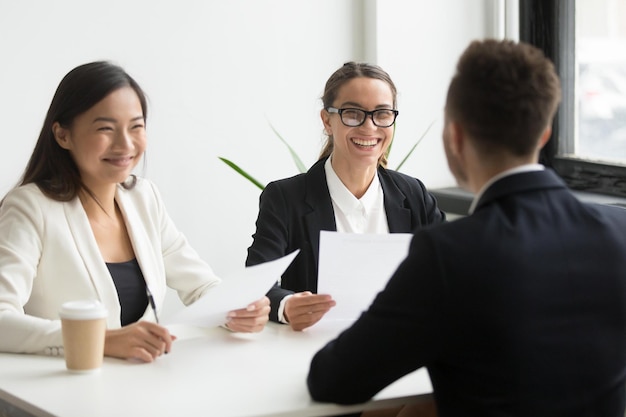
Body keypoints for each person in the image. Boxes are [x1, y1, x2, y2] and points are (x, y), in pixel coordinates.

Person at [307, 39, 626, 416]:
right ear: (544, 134)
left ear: (455, 138)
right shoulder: (619, 228)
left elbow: (333, 379)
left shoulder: (448, 254)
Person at [0, 61, 270, 363]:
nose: (125, 144)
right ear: (63, 135)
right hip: (61, 394)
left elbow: (200, 284)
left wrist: (235, 309)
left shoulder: (143, 198)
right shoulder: (29, 208)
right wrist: (98, 341)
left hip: (141, 387)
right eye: (105, 128)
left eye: (136, 126)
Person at [246, 62, 446, 331]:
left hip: (399, 347)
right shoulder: (284, 198)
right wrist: (286, 306)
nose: (369, 126)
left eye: (382, 114)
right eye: (353, 113)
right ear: (327, 121)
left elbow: (450, 268)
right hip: (315, 353)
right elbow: (255, 284)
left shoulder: (414, 195)